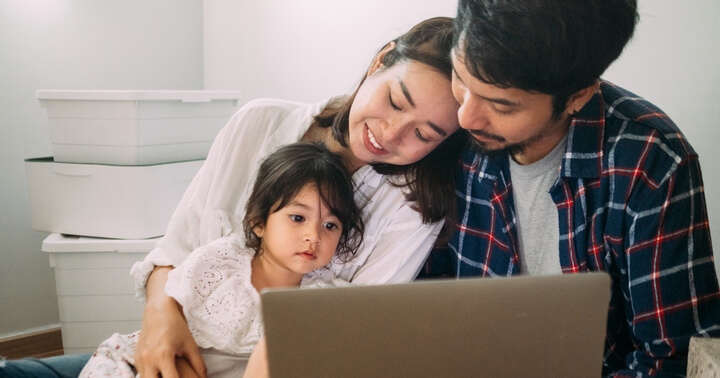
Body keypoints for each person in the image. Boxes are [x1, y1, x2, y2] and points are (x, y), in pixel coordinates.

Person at [0, 16, 465, 378]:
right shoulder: (258, 123)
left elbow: (341, 331)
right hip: (168, 345)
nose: (390, 133)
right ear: (380, 60)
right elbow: (176, 249)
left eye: (423, 134)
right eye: (395, 102)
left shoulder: (410, 211)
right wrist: (162, 319)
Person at [421, 0, 720, 376]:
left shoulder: (650, 163)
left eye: (503, 106)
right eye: (461, 79)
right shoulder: (442, 120)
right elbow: (423, 291)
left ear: (577, 96)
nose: (465, 116)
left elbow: (673, 359)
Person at [77, 142, 363, 377]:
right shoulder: (220, 264)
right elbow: (172, 342)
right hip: (148, 365)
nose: (313, 236)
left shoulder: (328, 299)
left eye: (330, 225)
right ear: (259, 222)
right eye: (297, 218)